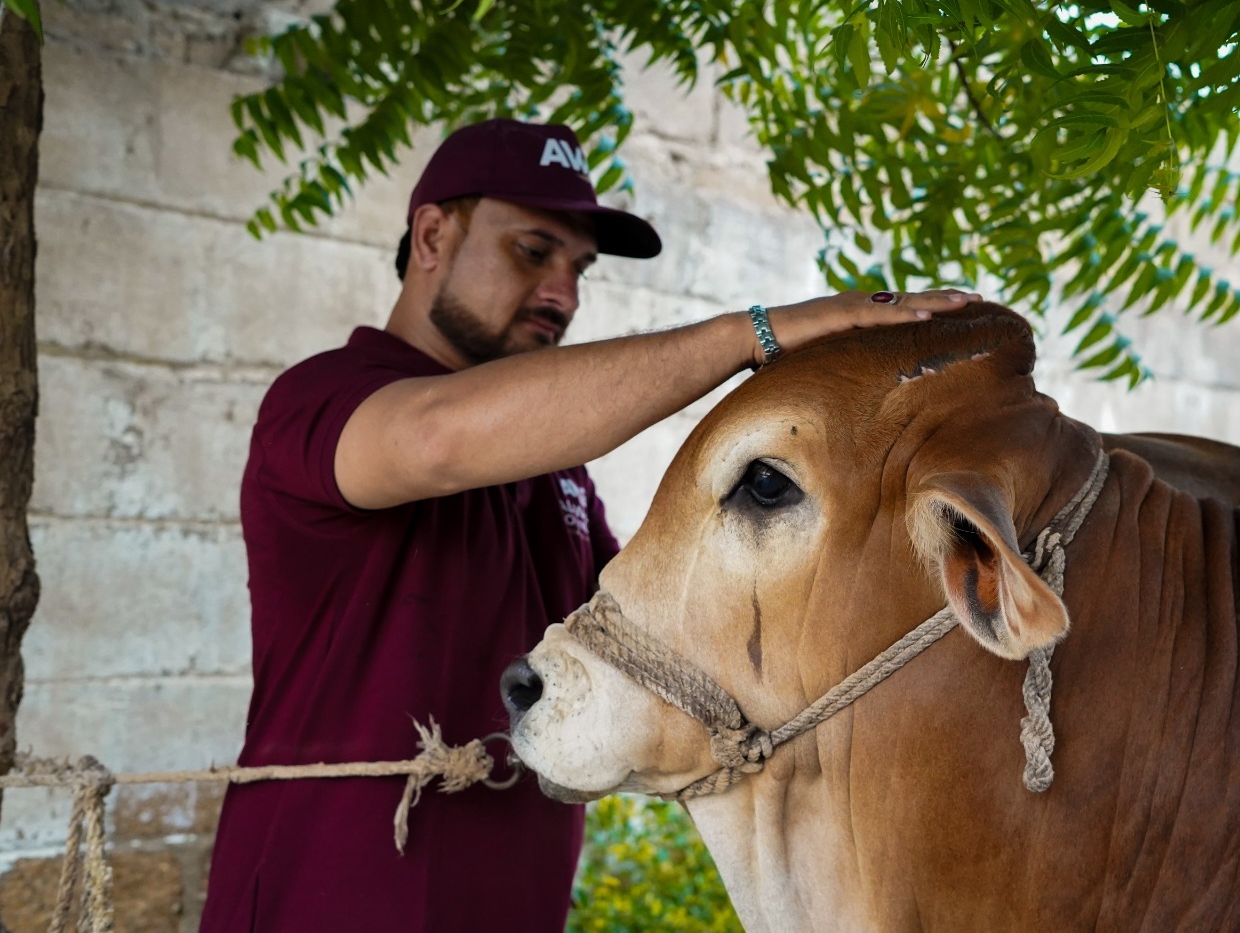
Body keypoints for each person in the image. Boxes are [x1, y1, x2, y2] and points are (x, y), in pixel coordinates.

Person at [198, 118, 977, 932]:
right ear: (431, 236)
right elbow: (435, 439)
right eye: (532, 252)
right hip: (319, 899)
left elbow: (653, 633)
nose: (563, 295)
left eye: (578, 269)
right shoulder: (321, 397)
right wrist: (752, 335)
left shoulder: (554, 470)